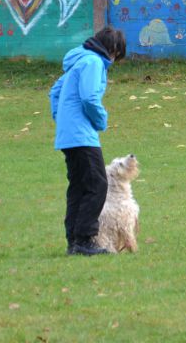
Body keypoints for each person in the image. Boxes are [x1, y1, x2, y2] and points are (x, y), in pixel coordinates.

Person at [50, 26, 127, 255]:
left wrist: (62, 118)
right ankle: (85, 240)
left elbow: (54, 92)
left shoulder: (77, 61)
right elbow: (90, 98)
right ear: (112, 49)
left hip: (68, 134)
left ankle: (73, 240)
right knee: (97, 185)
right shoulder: (93, 62)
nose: (114, 61)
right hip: (82, 134)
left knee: (78, 187)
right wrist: (101, 120)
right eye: (116, 55)